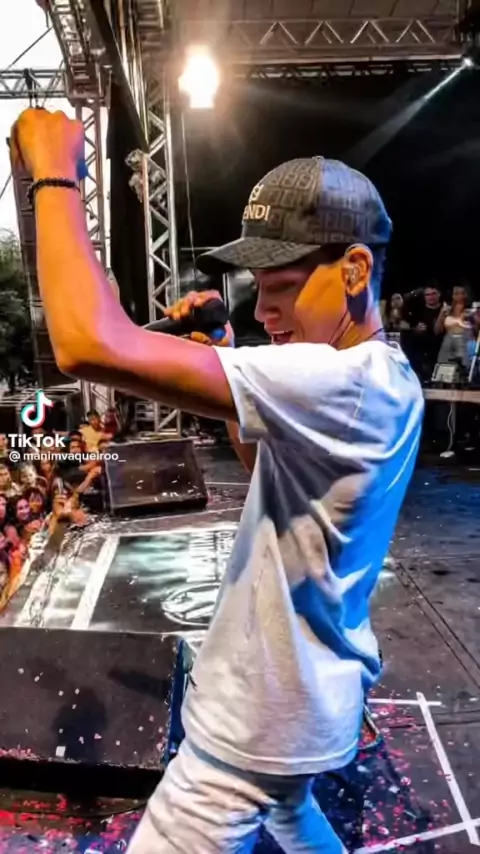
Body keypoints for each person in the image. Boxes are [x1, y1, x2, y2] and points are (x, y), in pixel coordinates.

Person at [12, 109, 424, 854]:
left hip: (253, 725)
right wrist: (227, 343)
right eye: (256, 288)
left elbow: (86, 343)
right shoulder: (383, 378)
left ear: (356, 270)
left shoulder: (341, 380)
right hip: (306, 699)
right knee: (291, 815)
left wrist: (56, 175)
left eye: (284, 286)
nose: (264, 310)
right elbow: (263, 467)